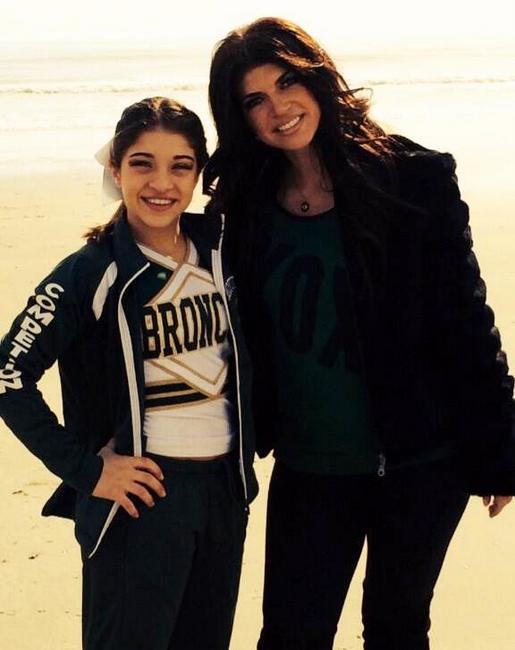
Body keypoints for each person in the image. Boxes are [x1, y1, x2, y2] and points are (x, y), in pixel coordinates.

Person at [204, 17, 515, 650]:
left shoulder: (414, 179)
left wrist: (501, 446)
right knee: (291, 634)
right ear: (240, 118)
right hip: (310, 467)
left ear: (317, 76)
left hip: (423, 460)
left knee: (397, 629)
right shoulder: (244, 207)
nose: (278, 109)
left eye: (287, 82)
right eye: (254, 100)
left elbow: (466, 320)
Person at [0, 96, 258, 650]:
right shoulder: (91, 271)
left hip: (222, 494)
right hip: (140, 499)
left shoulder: (221, 252)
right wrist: (87, 470)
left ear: (198, 174)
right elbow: (8, 374)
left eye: (180, 166)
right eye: (142, 163)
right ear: (115, 169)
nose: (161, 183)